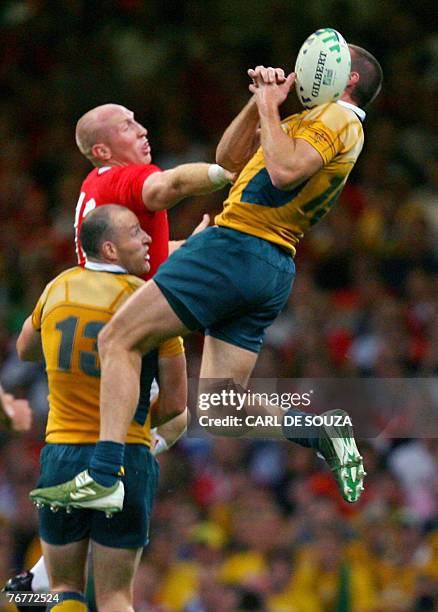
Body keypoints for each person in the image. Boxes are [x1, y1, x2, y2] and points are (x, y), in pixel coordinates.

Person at [31, 45, 382, 512]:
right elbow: (230, 158)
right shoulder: (309, 122)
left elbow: (281, 172)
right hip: (269, 264)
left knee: (117, 339)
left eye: (316, 60)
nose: (304, 65)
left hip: (237, 245)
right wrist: (259, 99)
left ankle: (102, 476)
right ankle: (319, 431)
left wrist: (270, 111)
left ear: (348, 78)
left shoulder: (340, 117)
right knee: (222, 406)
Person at [16, 205, 187, 612]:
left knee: (63, 589)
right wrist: (142, 420)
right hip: (126, 455)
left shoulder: (59, 288)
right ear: (110, 249)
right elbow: (178, 404)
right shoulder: (152, 302)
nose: (147, 238)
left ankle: (29, 593)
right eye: (135, 232)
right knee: (114, 597)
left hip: (63, 453)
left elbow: (25, 350)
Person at [74, 103, 234, 279]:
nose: (142, 130)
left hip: (104, 299)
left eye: (135, 121)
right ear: (102, 151)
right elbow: (174, 184)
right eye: (126, 127)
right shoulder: (122, 179)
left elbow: (152, 254)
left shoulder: (93, 182)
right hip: (121, 302)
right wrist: (225, 173)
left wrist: (192, 246)